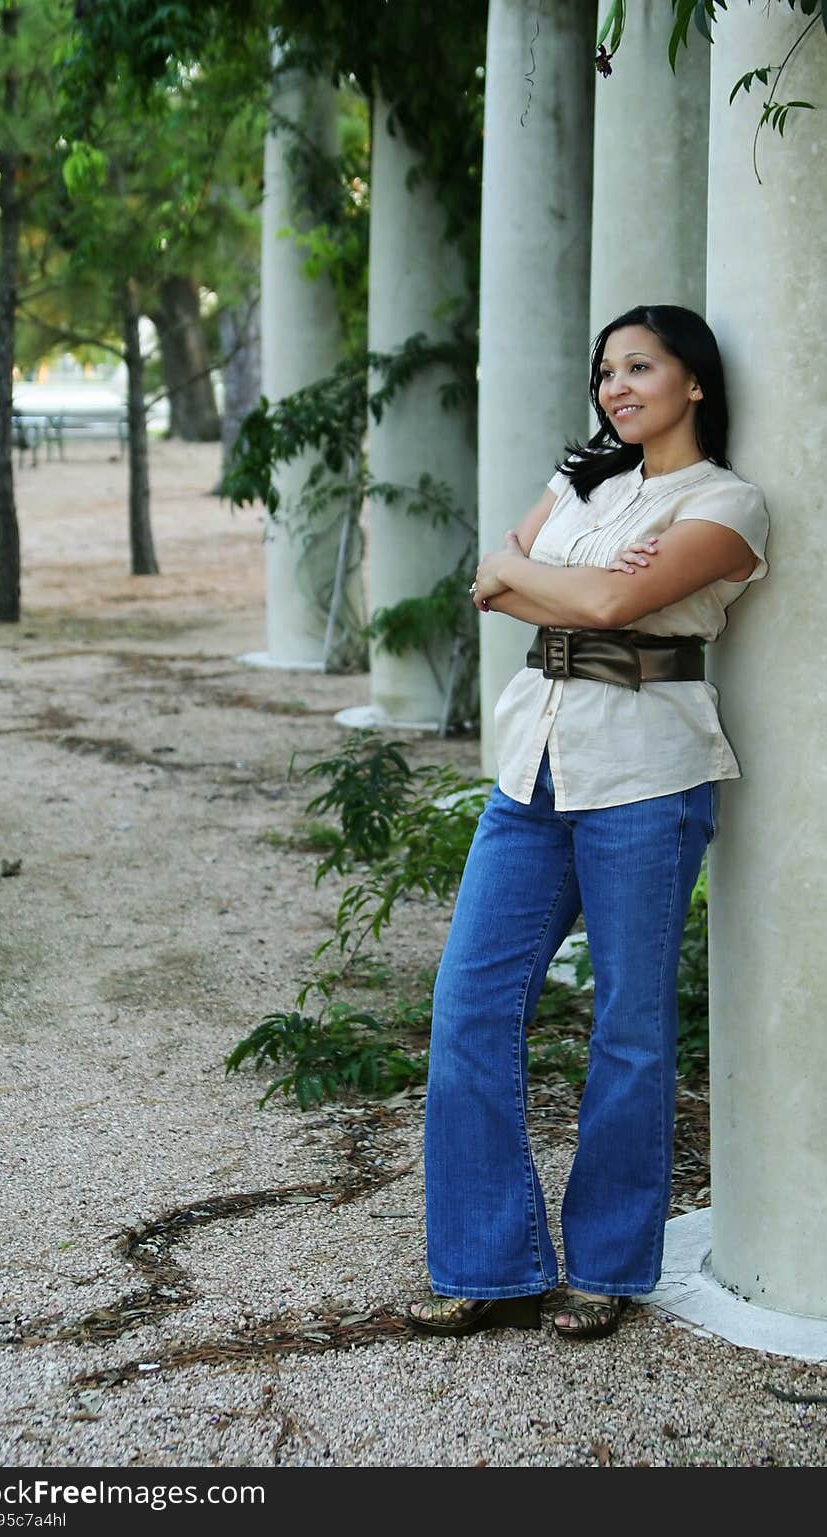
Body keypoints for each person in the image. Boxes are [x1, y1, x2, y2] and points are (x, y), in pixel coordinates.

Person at [408, 304, 769, 1342]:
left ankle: (607, 1265)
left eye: (640, 367)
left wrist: (543, 579)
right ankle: (490, 1260)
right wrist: (550, 580)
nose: (616, 386)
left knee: (629, 1031)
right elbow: (490, 577)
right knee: (471, 1002)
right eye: (605, 370)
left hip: (648, 773)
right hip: (532, 768)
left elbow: (615, 611)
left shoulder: (729, 504)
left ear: (692, 381)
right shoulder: (585, 482)